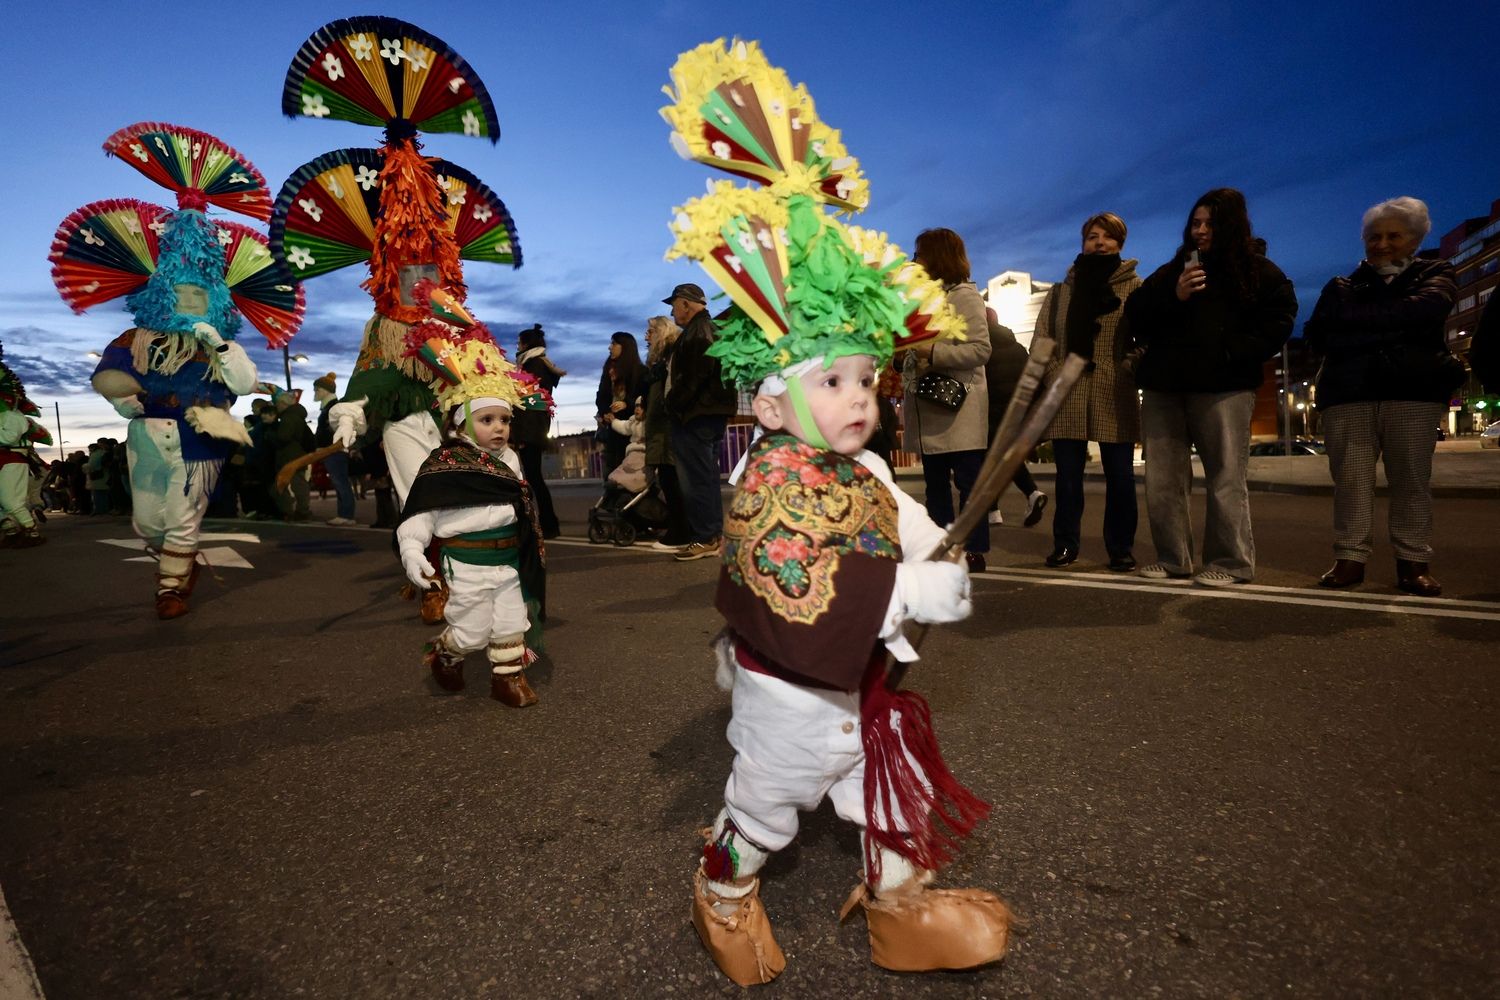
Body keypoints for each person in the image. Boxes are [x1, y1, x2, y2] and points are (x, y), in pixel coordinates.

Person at [662, 37, 1012, 986]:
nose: (862, 397)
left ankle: (900, 907)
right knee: (768, 808)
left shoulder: (856, 466)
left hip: (863, 680)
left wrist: (940, 557)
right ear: (772, 405)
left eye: (869, 378)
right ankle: (723, 891)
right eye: (835, 381)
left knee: (886, 795)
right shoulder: (770, 478)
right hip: (791, 693)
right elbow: (804, 576)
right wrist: (914, 594)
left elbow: (906, 525)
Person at [1125, 188, 1297, 586]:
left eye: (1210, 224)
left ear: (1230, 226)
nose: (1200, 231)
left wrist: (1232, 352)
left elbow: (1281, 318)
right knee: (1163, 479)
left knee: (1225, 477)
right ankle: (1173, 558)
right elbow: (1137, 314)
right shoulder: (1174, 270)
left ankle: (1231, 562)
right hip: (1165, 386)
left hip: (1224, 386)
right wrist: (1176, 295)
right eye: (1195, 223)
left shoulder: (1257, 271)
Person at [1304, 197, 1459, 596]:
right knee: (1350, 483)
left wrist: (1355, 325)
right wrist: (1394, 322)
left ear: (1415, 238)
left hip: (1411, 393)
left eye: (1394, 235)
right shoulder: (1342, 285)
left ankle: (1413, 563)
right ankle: (1349, 559)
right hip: (1348, 394)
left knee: (1410, 481)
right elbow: (1317, 336)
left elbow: (1426, 313)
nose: (1382, 243)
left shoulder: (1437, 272)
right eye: (1374, 236)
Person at [396, 336, 547, 708]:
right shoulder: (443, 464)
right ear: (462, 423)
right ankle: (447, 652)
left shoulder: (510, 459)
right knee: (472, 631)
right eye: (487, 420)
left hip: (508, 560)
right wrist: (412, 549)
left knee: (512, 622)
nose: (499, 428)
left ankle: (508, 679)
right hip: (467, 564)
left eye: (505, 420)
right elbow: (421, 512)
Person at [1036, 212, 1143, 571]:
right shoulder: (1061, 291)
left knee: (1121, 477)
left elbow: (1148, 338)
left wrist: (1129, 366)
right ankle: (1065, 544)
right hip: (1069, 391)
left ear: (1120, 243)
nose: (1099, 243)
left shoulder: (1134, 287)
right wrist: (1054, 374)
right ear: (1082, 243)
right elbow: (1043, 339)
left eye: (1107, 237)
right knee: (1067, 478)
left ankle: (1120, 548)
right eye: (1092, 237)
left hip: (1115, 389)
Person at [902, 228, 993, 572]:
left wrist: (933, 352)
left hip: (958, 406)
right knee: (935, 485)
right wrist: (902, 357)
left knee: (969, 484)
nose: (915, 260)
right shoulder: (921, 299)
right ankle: (939, 547)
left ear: (939, 256)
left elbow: (981, 350)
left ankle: (973, 550)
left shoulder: (964, 296)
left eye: (921, 253)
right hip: (929, 404)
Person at [664, 283, 738, 561]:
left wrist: (673, 403)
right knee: (706, 478)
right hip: (708, 413)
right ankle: (712, 535)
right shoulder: (710, 329)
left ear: (686, 304)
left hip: (696, 414)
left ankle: (705, 536)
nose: (672, 312)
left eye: (674, 305)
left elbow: (695, 376)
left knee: (696, 480)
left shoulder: (699, 332)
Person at [982, 307, 1048, 528]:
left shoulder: (982, 350)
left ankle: (1005, 505)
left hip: (990, 415)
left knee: (989, 461)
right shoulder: (1018, 348)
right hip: (1017, 415)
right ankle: (1024, 497)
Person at [641, 315, 691, 550]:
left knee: (672, 480)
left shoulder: (669, 358)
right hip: (663, 428)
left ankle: (680, 532)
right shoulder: (663, 360)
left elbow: (668, 395)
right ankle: (681, 529)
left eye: (650, 332)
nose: (646, 337)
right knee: (671, 480)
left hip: (667, 428)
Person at [514, 324, 565, 538]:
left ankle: (549, 524)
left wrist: (522, 436)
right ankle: (548, 522)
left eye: (519, 342)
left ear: (526, 344)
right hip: (535, 430)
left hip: (530, 431)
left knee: (534, 479)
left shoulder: (533, 365)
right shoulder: (539, 363)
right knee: (534, 478)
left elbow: (530, 405)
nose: (517, 346)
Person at [0, 356, 48, 547]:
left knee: (11, 500)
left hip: (12, 458)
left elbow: (9, 437)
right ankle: (10, 530)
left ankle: (31, 531)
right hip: (5, 459)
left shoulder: (12, 415)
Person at [595, 331, 647, 475]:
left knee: (630, 471)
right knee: (610, 470)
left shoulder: (640, 372)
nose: (609, 347)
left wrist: (626, 404)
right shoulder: (608, 371)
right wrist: (605, 412)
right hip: (611, 429)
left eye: (613, 343)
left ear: (625, 347)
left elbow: (643, 397)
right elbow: (601, 396)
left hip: (632, 430)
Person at [313, 372, 358, 526]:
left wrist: (324, 445)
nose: (315, 393)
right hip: (331, 449)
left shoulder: (333, 407)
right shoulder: (331, 407)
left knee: (341, 483)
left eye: (317, 389)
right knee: (339, 482)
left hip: (334, 450)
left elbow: (333, 430)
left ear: (325, 390)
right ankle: (344, 514)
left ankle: (346, 515)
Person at [271, 387, 313, 522]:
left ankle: (297, 511)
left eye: (277, 404)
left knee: (287, 485)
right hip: (297, 455)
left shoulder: (288, 418)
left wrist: (271, 435)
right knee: (298, 484)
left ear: (283, 404)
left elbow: (283, 437)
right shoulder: (297, 416)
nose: (276, 407)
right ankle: (301, 510)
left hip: (290, 456)